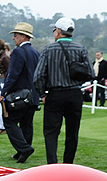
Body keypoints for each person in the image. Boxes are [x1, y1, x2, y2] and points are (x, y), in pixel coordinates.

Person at [33, 17, 93, 164]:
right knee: (72, 133)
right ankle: (68, 164)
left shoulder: (48, 49)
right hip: (74, 94)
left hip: (54, 94)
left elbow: (38, 76)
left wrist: (42, 94)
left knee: (51, 132)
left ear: (58, 31)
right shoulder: (81, 49)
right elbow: (90, 73)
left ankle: (52, 164)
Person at [0, 22, 40, 164]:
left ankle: (23, 149)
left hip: (20, 96)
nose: (13, 38)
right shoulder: (35, 52)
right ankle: (22, 151)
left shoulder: (17, 52)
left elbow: (13, 75)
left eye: (15, 35)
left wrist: (4, 92)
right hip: (33, 95)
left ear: (23, 36)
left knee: (9, 121)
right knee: (27, 124)